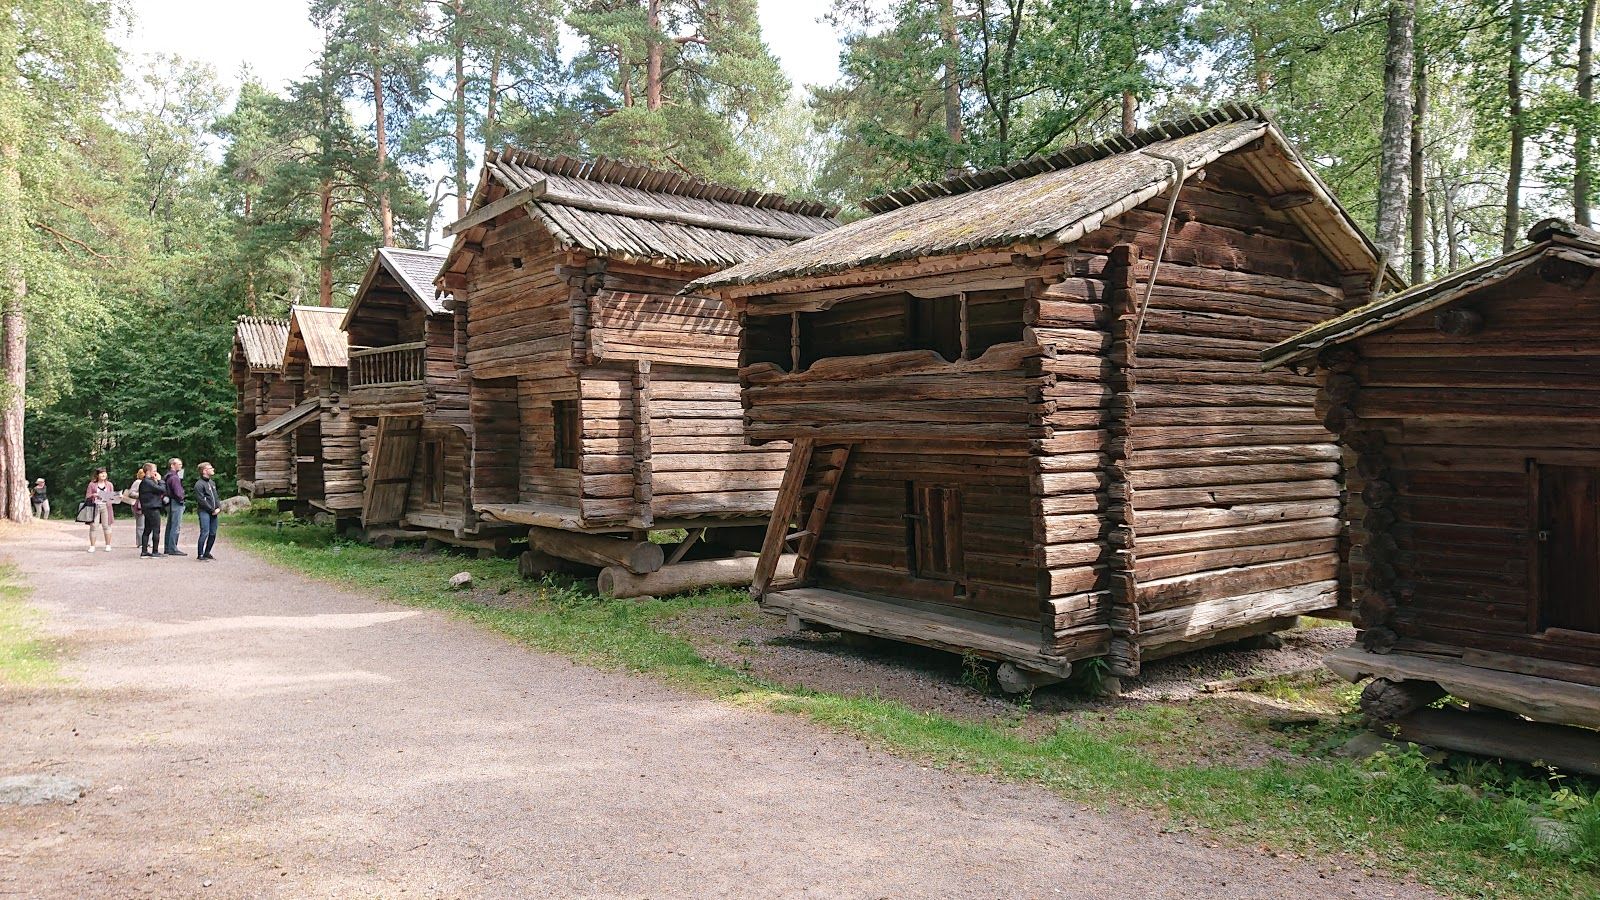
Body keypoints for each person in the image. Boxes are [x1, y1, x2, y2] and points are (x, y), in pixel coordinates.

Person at [137, 463, 168, 558]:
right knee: (156, 530)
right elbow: (162, 489)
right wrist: (160, 480)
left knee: (147, 529)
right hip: (152, 508)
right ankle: (155, 551)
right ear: (149, 472)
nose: (156, 473)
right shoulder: (148, 482)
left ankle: (144, 551)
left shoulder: (147, 482)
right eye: (154, 471)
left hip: (148, 507)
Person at [83, 469, 117, 552]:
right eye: (101, 473)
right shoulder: (92, 484)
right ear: (97, 475)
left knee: (107, 526)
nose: (103, 475)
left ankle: (108, 545)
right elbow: (87, 496)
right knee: (94, 526)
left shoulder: (109, 484)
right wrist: (94, 495)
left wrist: (117, 496)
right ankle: (92, 546)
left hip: (106, 506)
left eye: (105, 473)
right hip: (95, 506)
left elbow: (112, 496)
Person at [194, 462, 220, 561]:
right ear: (205, 471)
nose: (213, 469)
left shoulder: (212, 483)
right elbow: (201, 500)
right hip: (204, 512)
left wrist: (218, 507)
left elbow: (216, 497)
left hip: (214, 512)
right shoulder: (199, 484)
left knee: (213, 533)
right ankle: (200, 554)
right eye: (210, 468)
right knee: (205, 532)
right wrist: (211, 509)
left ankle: (207, 552)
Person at [163, 457, 186, 556]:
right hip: (176, 503)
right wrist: (182, 498)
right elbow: (178, 492)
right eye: (179, 464)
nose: (181, 466)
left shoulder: (168, 476)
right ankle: (173, 548)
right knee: (175, 526)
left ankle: (167, 547)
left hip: (169, 502)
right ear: (172, 465)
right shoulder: (174, 478)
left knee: (170, 525)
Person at [123, 470, 144, 548]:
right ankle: (140, 543)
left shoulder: (148, 482)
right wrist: (142, 494)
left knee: (147, 524)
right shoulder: (138, 482)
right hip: (138, 505)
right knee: (141, 525)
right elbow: (131, 493)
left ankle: (147, 542)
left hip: (145, 505)